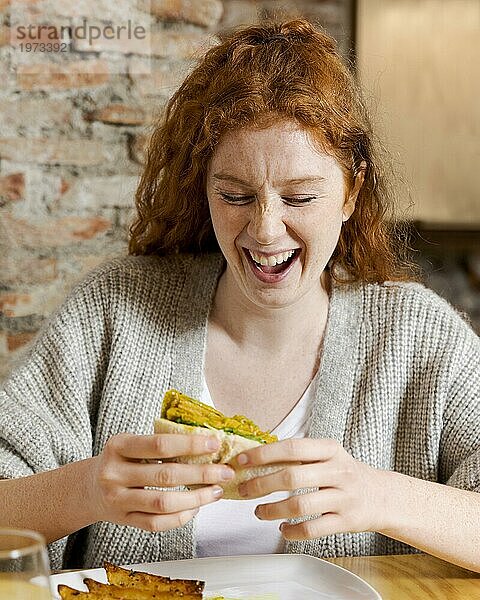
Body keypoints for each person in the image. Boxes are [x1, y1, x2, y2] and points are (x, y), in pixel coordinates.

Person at [1, 18, 479, 573]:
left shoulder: (419, 336)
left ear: (351, 192)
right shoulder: (114, 310)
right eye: (235, 195)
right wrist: (85, 489)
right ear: (203, 186)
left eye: (299, 198)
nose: (266, 230)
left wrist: (379, 496)